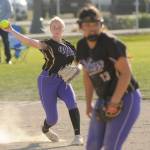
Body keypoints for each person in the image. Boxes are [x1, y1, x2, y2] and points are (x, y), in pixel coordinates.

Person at [2, 16, 83, 145]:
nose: (56, 29)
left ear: (63, 28)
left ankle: (77, 136)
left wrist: (78, 69)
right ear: (50, 29)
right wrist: (11, 31)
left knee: (72, 102)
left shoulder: (70, 46)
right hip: (47, 81)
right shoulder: (47, 44)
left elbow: (80, 62)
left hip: (63, 80)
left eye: (59, 27)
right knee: (52, 119)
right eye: (54, 27)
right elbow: (29, 42)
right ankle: (45, 129)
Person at [76, 5, 141, 150]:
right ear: (80, 26)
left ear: (101, 25)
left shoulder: (110, 43)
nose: (92, 28)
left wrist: (115, 102)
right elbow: (87, 75)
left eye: (95, 24)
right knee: (92, 145)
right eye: (87, 24)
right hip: (104, 98)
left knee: (111, 145)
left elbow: (126, 73)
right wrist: (88, 103)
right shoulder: (81, 47)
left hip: (126, 97)